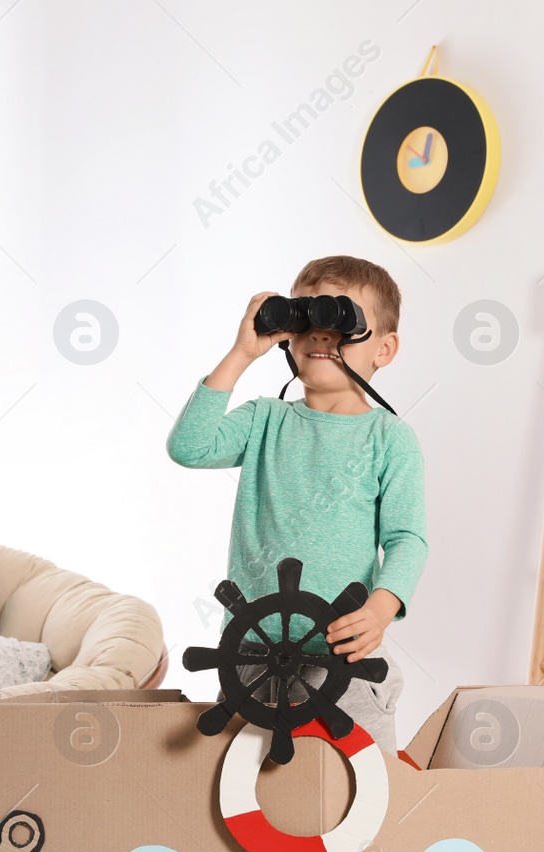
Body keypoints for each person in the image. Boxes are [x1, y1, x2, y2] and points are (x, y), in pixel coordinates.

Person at [166, 255, 427, 754]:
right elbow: (189, 446)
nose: (321, 335)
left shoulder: (389, 437)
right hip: (254, 652)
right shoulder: (264, 419)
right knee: (243, 787)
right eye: (305, 319)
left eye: (342, 321)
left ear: (385, 348)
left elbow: (406, 538)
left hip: (345, 657)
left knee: (365, 787)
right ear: (287, 333)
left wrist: (380, 609)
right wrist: (243, 353)